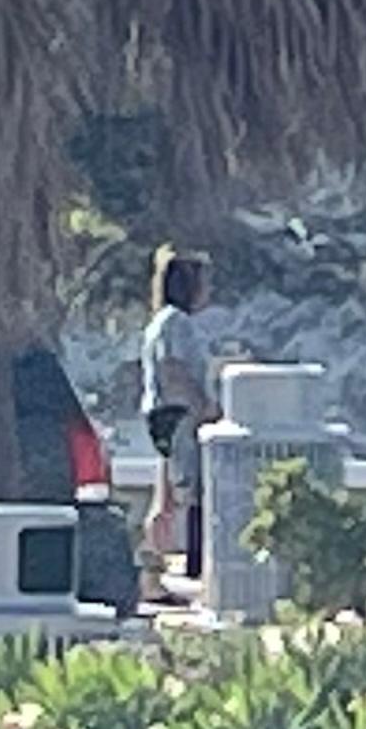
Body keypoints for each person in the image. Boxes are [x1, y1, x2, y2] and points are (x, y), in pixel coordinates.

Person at [140, 248, 218, 584]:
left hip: (162, 414)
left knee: (168, 494)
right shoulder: (178, 323)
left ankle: (153, 565)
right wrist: (203, 406)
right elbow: (174, 369)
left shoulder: (160, 322)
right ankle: (195, 564)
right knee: (194, 489)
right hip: (178, 415)